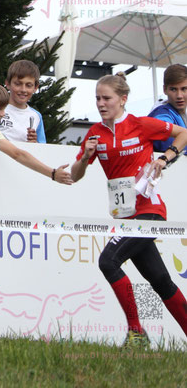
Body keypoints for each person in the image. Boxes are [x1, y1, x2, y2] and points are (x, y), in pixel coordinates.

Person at [71, 72, 187, 347]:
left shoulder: (140, 124)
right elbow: (76, 176)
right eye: (97, 98)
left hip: (149, 211)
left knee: (107, 261)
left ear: (122, 100)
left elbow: (182, 133)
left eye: (107, 98)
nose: (101, 103)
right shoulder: (95, 133)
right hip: (124, 217)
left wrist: (166, 158)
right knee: (161, 281)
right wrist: (86, 157)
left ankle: (136, 333)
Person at [0, 60, 46, 143]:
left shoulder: (36, 116)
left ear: (35, 87)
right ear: (8, 84)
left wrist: (35, 143)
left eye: (29, 85)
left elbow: (42, 148)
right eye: (18, 84)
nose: (23, 90)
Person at [148, 64, 187, 154]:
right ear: (165, 89)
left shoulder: (179, 113)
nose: (179, 96)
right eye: (173, 89)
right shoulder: (161, 114)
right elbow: (168, 145)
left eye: (184, 89)